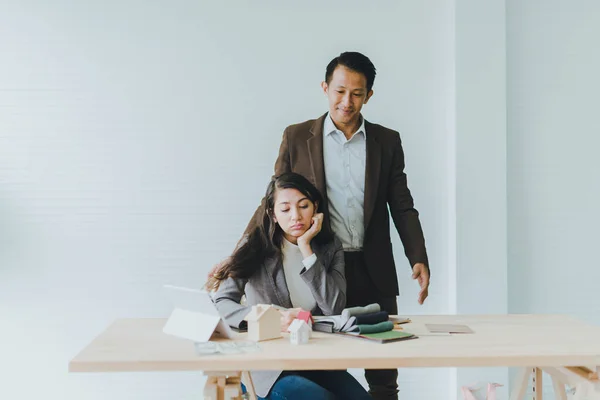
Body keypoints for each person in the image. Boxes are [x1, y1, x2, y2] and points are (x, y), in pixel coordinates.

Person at [211, 51, 430, 400]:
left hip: (371, 265)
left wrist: (417, 255)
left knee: (384, 371)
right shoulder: (297, 137)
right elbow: (274, 199)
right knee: (323, 356)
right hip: (321, 257)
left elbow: (402, 203)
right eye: (340, 91)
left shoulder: (386, 141)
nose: (347, 101)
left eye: (357, 93)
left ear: (369, 95)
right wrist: (239, 255)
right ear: (325, 88)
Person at [207, 172, 372, 400]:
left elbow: (334, 307)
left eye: (303, 206)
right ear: (273, 215)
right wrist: (271, 316)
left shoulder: (329, 247)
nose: (296, 216)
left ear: (315, 207)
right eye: (285, 209)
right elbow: (222, 303)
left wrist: (306, 249)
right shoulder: (254, 247)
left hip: (316, 361)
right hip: (268, 367)